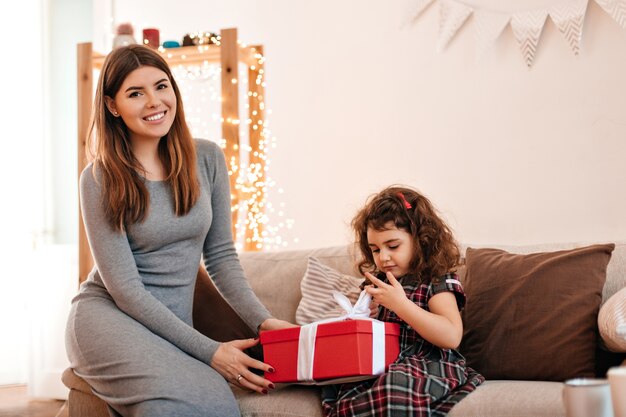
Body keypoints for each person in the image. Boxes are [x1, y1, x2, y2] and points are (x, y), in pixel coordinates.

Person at [65, 44, 293, 417]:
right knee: (190, 402)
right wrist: (210, 351)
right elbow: (126, 291)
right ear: (112, 106)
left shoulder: (207, 158)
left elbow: (220, 256)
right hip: (108, 319)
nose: (155, 102)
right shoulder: (99, 178)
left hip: (169, 325)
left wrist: (264, 321)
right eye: (135, 93)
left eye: (161, 86)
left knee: (216, 402)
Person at [322, 186, 485, 417]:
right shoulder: (377, 284)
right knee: (343, 387)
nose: (384, 257)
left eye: (393, 246)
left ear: (421, 240)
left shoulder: (435, 281)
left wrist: (400, 304)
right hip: (380, 362)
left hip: (427, 364)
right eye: (375, 249)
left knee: (393, 386)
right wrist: (364, 316)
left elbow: (450, 336)